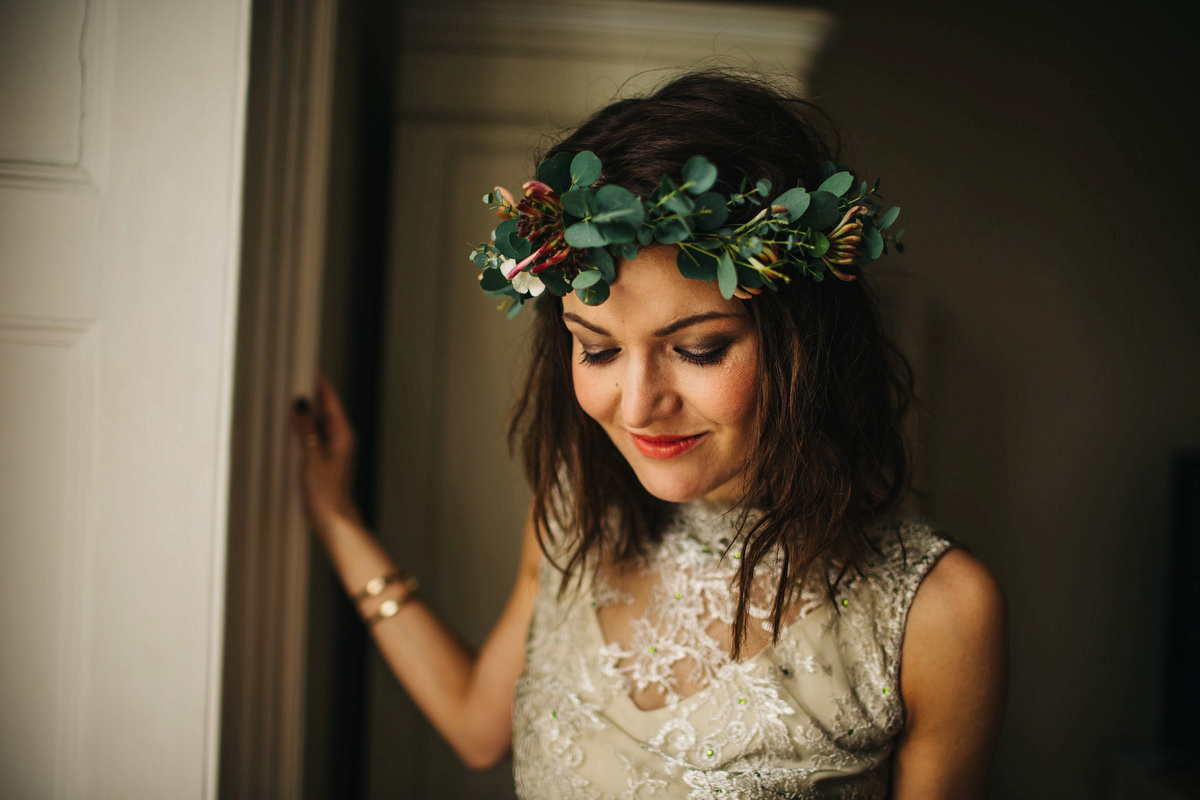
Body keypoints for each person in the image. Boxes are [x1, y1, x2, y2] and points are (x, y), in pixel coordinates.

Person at [290, 70, 1007, 798]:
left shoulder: (938, 614)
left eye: (698, 350)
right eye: (597, 350)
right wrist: (337, 520)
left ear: (803, 344)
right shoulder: (574, 511)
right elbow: (479, 725)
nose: (636, 407)